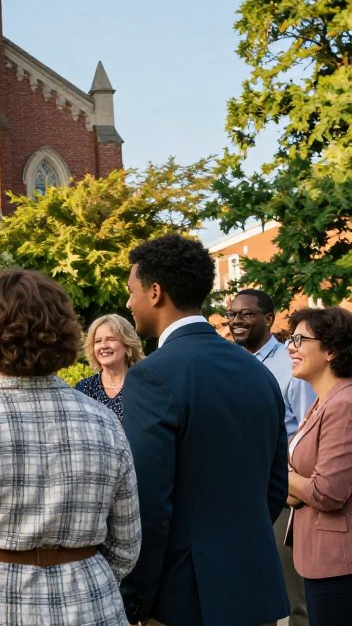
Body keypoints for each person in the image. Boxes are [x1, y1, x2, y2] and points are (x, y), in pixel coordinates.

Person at [0, 270, 140, 624]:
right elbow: (125, 545)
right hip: (87, 603)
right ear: (62, 332)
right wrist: (75, 567)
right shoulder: (103, 421)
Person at [120, 234, 289, 626]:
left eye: (132, 291)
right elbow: (275, 485)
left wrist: (136, 599)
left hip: (186, 598)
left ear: (156, 292)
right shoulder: (258, 372)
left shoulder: (152, 376)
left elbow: (149, 503)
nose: (129, 303)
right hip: (257, 588)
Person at [229, 288, 316, 626]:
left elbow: (308, 432)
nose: (237, 320)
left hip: (280, 494)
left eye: (246, 313)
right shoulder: (230, 362)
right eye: (233, 313)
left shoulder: (291, 364)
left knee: (294, 597)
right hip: (236, 494)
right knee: (246, 590)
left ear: (268, 318)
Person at [285, 307, 352, 626]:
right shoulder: (323, 401)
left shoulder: (344, 405)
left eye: (300, 339)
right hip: (318, 557)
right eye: (289, 338)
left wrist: (284, 478)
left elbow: (328, 492)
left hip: (339, 564)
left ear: (331, 349)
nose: (290, 347)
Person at [75, 313, 145, 420]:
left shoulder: (143, 384)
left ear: (127, 346)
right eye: (98, 341)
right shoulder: (83, 389)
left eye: (111, 339)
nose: (103, 345)